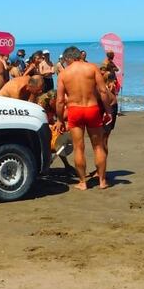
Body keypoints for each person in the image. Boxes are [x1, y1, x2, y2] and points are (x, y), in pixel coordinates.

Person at [56, 46, 111, 190]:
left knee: (78, 148)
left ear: (68, 58)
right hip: (92, 108)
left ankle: (82, 182)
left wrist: (60, 119)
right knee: (98, 146)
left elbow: (60, 100)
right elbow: (103, 91)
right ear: (79, 56)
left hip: (75, 110)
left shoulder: (63, 74)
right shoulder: (92, 68)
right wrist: (108, 111)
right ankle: (102, 181)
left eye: (65, 61)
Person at [101, 70, 120, 153]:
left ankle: (103, 154)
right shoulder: (106, 86)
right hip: (110, 108)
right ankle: (103, 154)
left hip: (110, 108)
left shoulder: (108, 86)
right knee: (104, 137)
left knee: (104, 137)